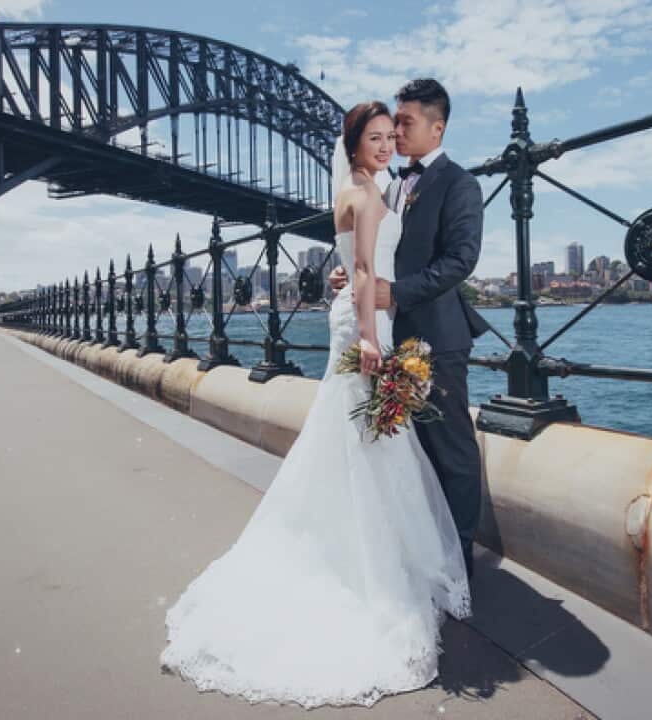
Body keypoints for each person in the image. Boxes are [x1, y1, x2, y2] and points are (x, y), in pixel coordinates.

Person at [160, 100, 470, 708]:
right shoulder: (366, 192)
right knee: (369, 441)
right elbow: (359, 268)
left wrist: (360, 303)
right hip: (365, 323)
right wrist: (371, 338)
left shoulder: (362, 188)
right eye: (375, 138)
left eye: (391, 136)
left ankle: (353, 550)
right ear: (353, 144)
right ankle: (372, 566)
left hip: (360, 314)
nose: (386, 145)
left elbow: (360, 262)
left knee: (355, 440)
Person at [330, 78, 488, 579]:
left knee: (452, 448)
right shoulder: (389, 185)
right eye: (392, 123)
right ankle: (421, 555)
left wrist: (393, 293)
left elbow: (461, 260)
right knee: (407, 450)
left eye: (406, 122)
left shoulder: (460, 184)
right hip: (392, 335)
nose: (395, 132)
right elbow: (370, 254)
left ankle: (459, 562)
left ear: (437, 128)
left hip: (437, 337)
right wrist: (345, 273)